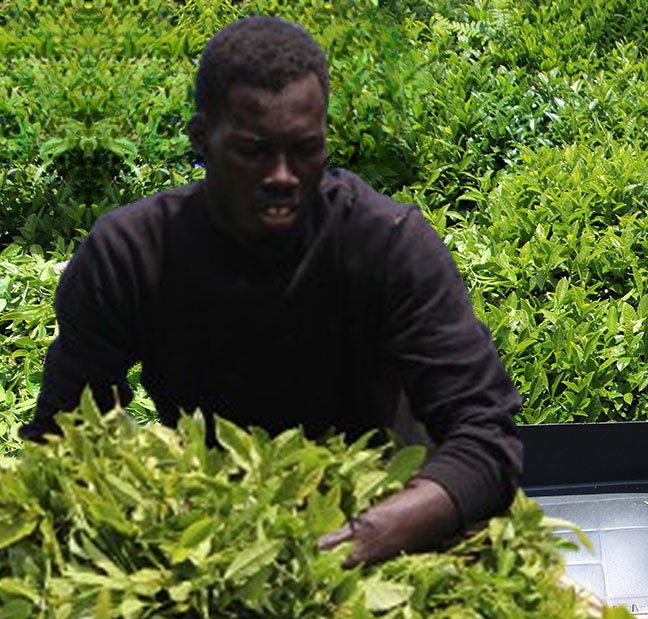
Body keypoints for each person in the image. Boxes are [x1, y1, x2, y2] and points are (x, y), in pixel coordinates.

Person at [19, 17, 523, 567]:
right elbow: (67, 439)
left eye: (304, 149)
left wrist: (371, 534)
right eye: (253, 151)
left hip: (389, 524)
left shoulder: (387, 244)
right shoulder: (131, 255)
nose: (283, 175)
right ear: (201, 141)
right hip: (216, 533)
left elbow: (485, 438)